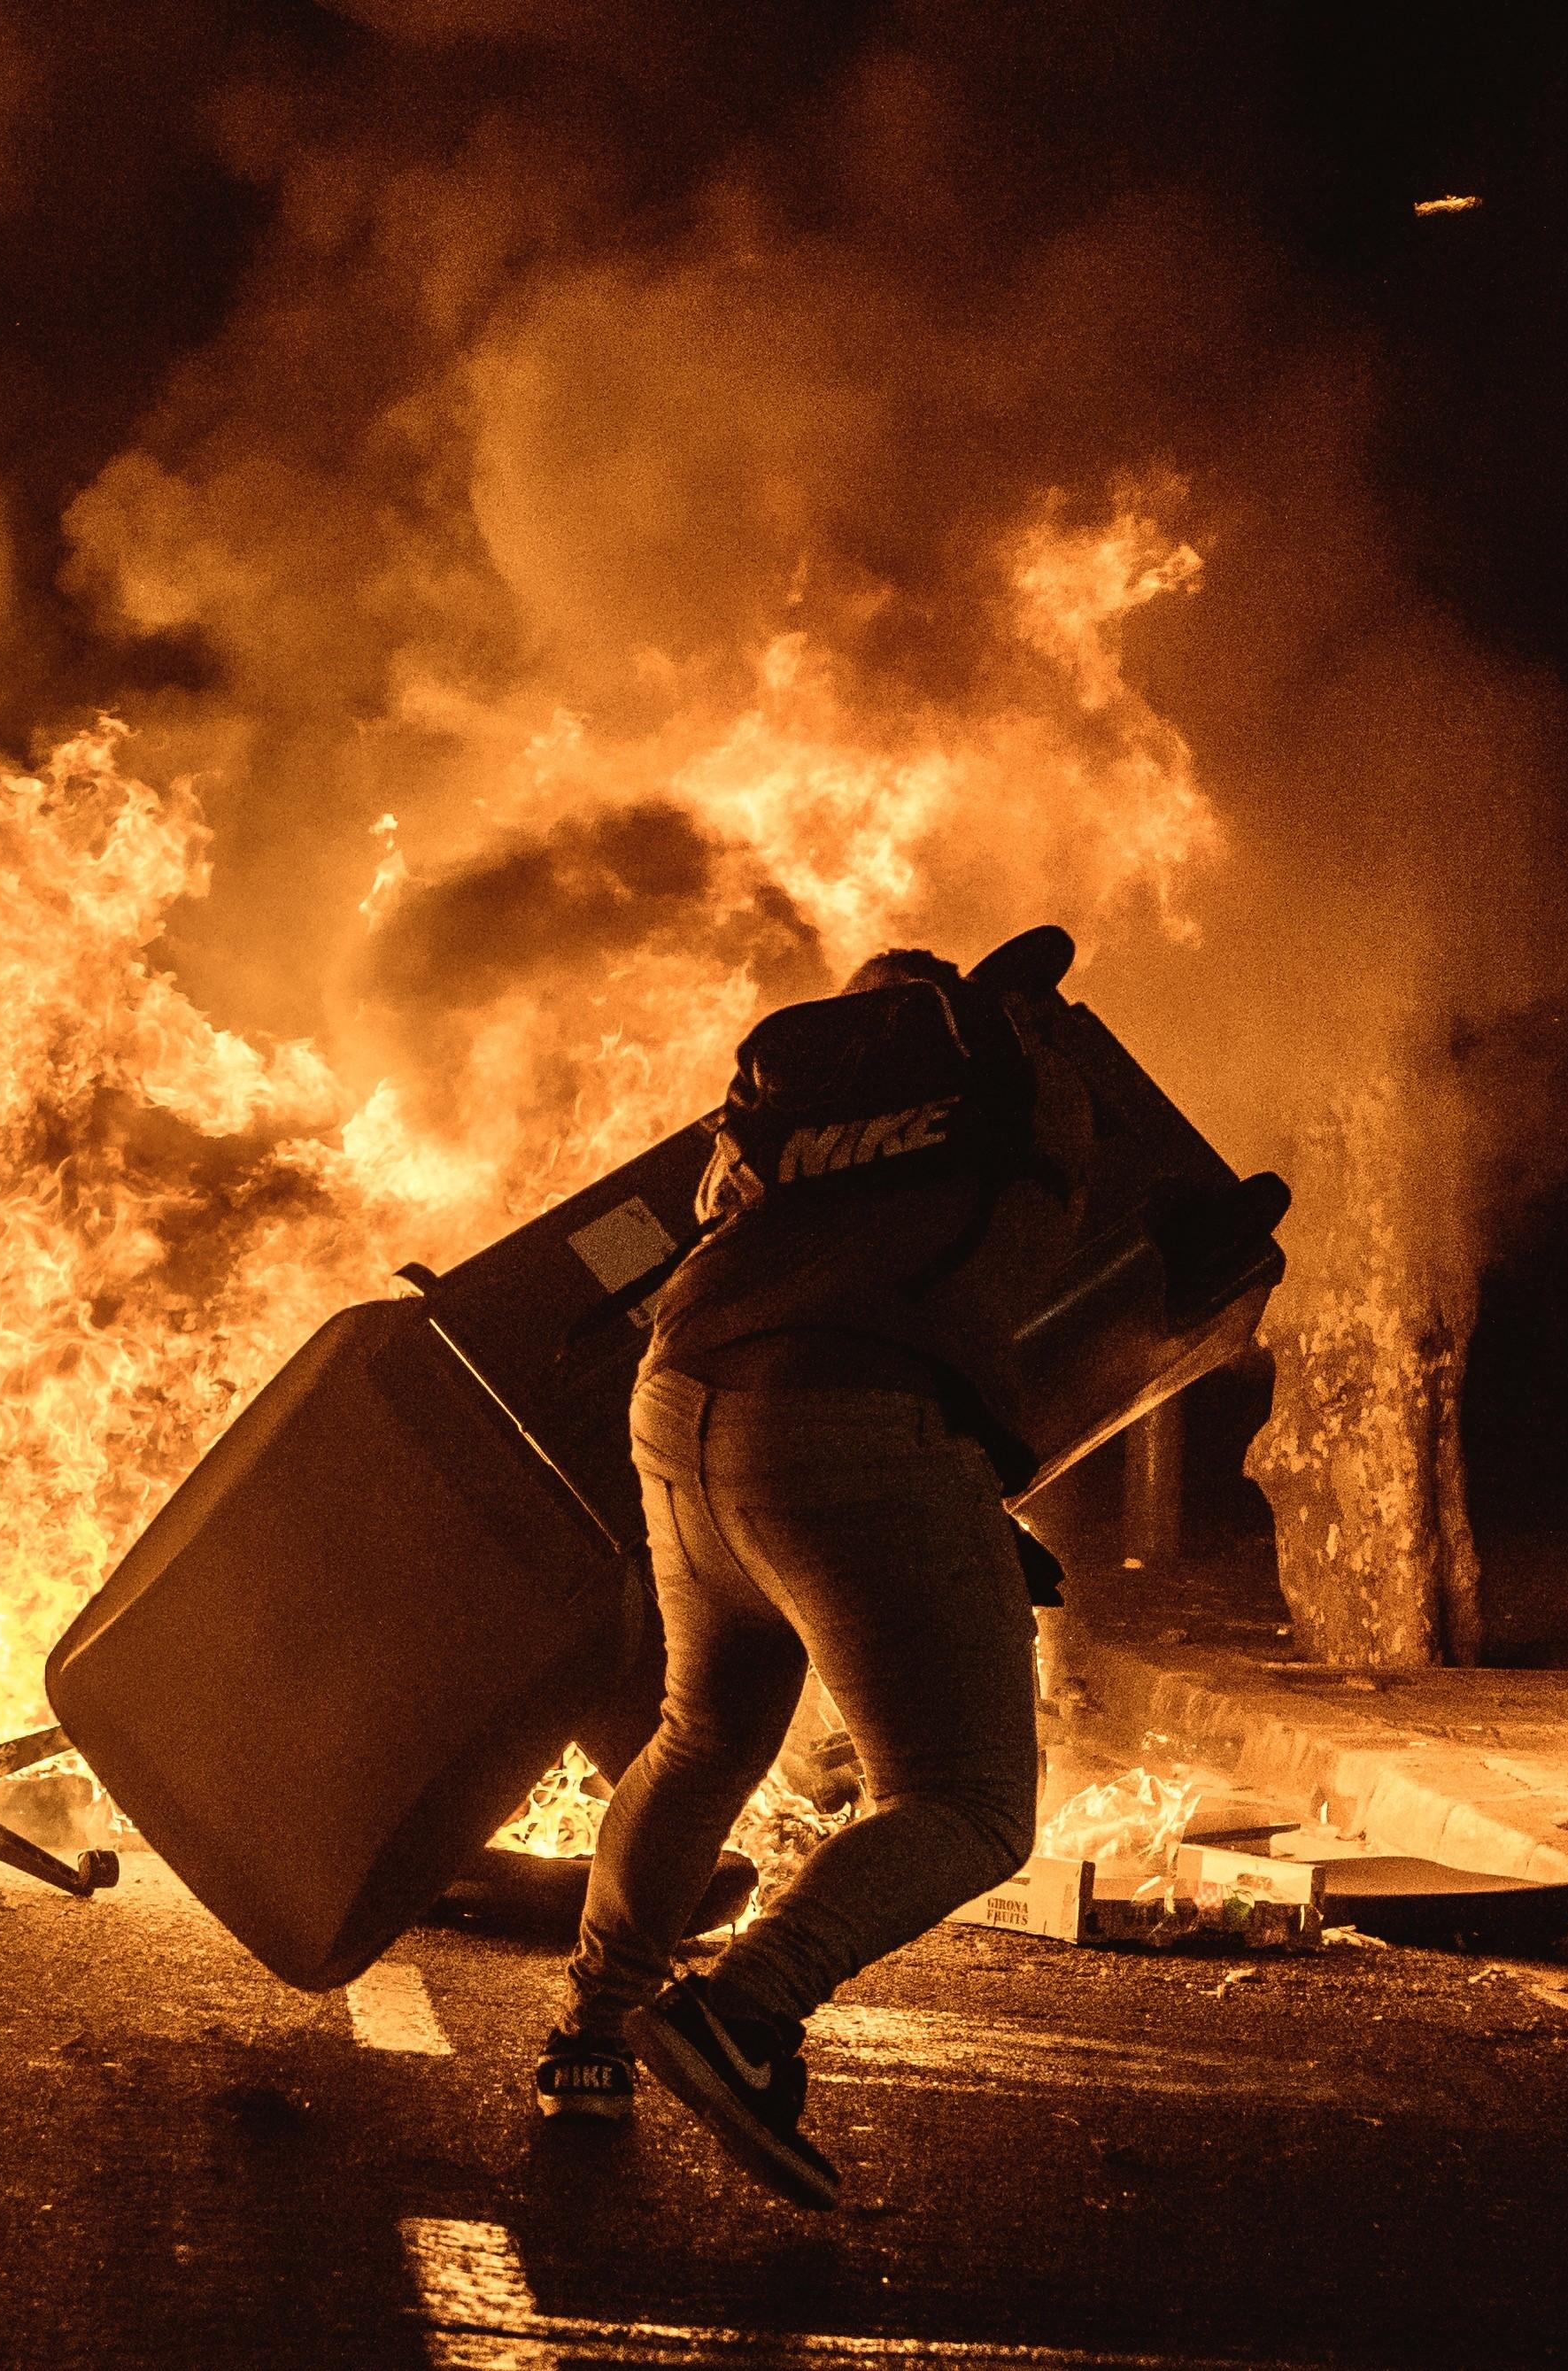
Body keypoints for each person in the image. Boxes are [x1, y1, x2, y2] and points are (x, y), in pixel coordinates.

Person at [529, 944, 1091, 2210]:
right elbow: (1041, 1287)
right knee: (967, 1800)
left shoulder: (783, 1114)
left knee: (702, 1733)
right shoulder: (1023, 1089)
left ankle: (588, 2036)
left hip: (681, 1400)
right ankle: (740, 2015)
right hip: (849, 1421)